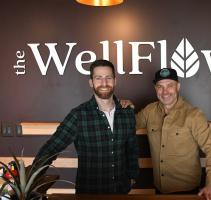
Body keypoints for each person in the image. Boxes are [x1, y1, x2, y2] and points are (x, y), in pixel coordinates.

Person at [33, 59, 139, 194]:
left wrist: (132, 177)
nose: (104, 83)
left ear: (115, 81)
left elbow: (132, 149)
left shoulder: (127, 112)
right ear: (91, 82)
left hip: (121, 191)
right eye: (98, 78)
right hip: (89, 192)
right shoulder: (78, 115)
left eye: (108, 78)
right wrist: (31, 177)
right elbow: (52, 148)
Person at [136, 68, 211, 200]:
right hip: (159, 190)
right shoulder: (149, 111)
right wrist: (125, 108)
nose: (165, 92)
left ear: (178, 86)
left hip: (187, 192)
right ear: (155, 89)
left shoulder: (193, 115)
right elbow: (129, 125)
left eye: (170, 85)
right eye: (160, 86)